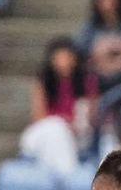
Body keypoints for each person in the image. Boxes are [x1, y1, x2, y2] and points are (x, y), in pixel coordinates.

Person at [20, 37, 97, 179]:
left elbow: (87, 118)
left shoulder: (86, 82)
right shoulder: (43, 82)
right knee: (56, 129)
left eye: (66, 58)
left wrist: (71, 127)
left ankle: (58, 178)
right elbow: (38, 117)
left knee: (59, 136)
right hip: (47, 132)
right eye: (59, 58)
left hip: (74, 137)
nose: (63, 63)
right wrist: (62, 123)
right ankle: (67, 175)